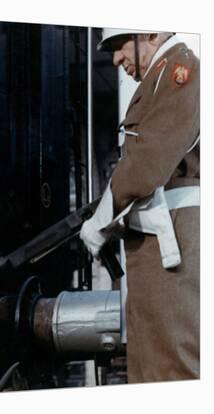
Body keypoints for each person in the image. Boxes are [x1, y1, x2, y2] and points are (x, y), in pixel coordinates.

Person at [80, 29, 200, 382]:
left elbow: (149, 162)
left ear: (149, 31)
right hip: (160, 248)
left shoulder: (180, 69)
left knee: (172, 368)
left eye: (119, 45)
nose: (116, 59)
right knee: (155, 366)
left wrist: (101, 220)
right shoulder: (160, 77)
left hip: (174, 247)